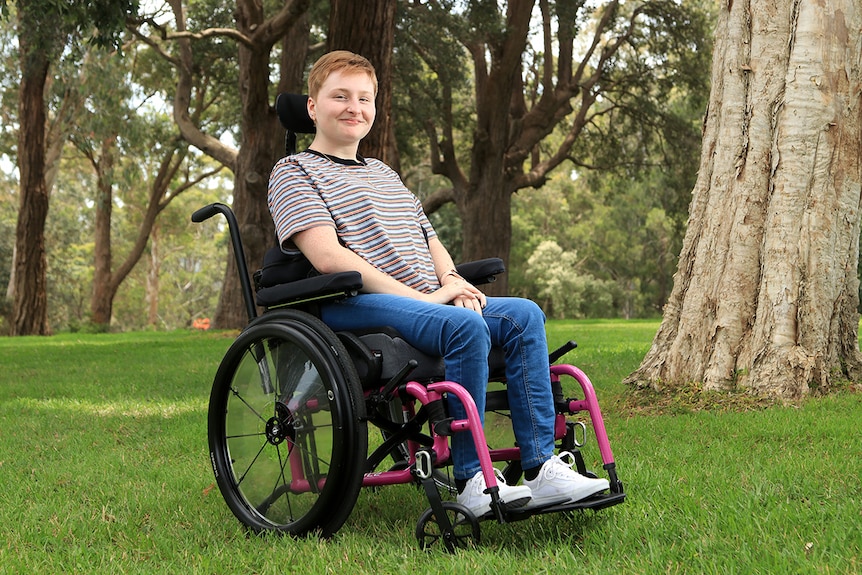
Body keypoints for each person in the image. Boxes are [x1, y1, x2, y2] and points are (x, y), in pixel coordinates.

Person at [267, 50, 609, 518]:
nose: (354, 107)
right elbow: (328, 258)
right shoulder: (293, 172)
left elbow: (429, 239)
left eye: (364, 98)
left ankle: (541, 467)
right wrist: (430, 298)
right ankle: (471, 481)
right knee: (463, 327)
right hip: (353, 300)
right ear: (312, 107)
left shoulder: (384, 174)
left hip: (427, 298)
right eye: (339, 96)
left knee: (523, 314)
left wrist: (452, 280)